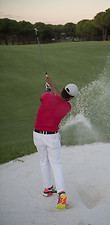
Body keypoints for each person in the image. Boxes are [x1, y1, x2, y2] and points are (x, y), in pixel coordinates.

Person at [33, 75, 78, 209]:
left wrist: (48, 88)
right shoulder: (67, 107)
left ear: (63, 88)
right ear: (71, 98)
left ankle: (47, 189)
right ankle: (61, 194)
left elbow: (49, 96)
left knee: (43, 161)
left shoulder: (47, 97)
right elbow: (60, 98)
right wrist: (51, 85)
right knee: (56, 164)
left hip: (37, 135)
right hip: (52, 137)